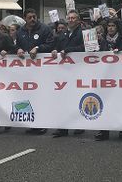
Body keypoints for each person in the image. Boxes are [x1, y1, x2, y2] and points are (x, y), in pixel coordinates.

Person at [94, 18, 122, 141]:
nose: (110, 28)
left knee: (120, 103)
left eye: (113, 26)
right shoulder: (103, 41)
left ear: (117, 27)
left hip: (120, 76)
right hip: (106, 76)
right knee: (104, 102)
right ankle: (104, 130)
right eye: (109, 26)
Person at [16, 8, 54, 135]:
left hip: (42, 69)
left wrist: (38, 48)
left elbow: (51, 45)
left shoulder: (44, 29)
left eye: (34, 17)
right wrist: (18, 49)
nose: (32, 19)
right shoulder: (20, 31)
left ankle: (42, 124)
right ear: (25, 18)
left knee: (40, 96)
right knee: (28, 96)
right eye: (30, 17)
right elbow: (16, 45)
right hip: (26, 70)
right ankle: (32, 123)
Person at [51, 10, 85, 138]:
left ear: (78, 20)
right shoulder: (63, 33)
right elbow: (58, 47)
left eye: (73, 18)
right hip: (64, 71)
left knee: (77, 97)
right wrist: (55, 51)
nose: (70, 20)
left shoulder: (84, 33)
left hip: (78, 70)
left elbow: (85, 48)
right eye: (69, 18)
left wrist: (68, 50)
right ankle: (63, 127)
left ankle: (78, 125)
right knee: (63, 98)